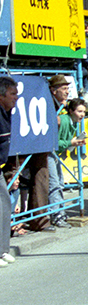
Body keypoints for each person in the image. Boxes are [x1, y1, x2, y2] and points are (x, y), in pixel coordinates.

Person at [48, 98, 87, 228]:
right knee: (54, 184)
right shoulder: (63, 120)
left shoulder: (75, 123)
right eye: (79, 111)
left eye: (84, 112)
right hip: (49, 154)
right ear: (70, 111)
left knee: (59, 182)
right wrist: (71, 143)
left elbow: (67, 143)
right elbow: (54, 142)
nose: (82, 114)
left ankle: (60, 213)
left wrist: (76, 142)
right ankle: (57, 215)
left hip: (56, 155)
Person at [0, 77, 18, 267]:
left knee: (4, 206)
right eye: (12, 94)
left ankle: (2, 250)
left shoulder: (7, 112)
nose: (16, 98)